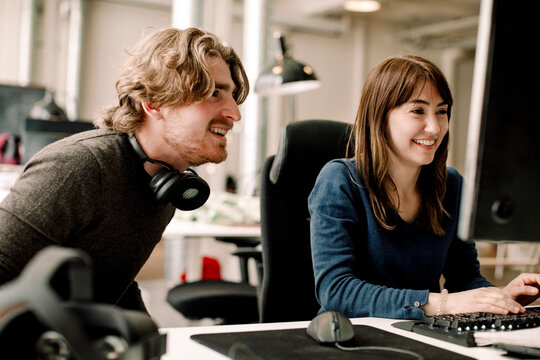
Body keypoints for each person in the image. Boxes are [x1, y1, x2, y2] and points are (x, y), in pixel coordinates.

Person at [0, 27, 249, 313]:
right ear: (154, 103)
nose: (235, 113)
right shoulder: (79, 167)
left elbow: (113, 280)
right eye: (214, 93)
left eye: (231, 96)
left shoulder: (166, 182)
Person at [308, 54, 540, 320]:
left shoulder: (452, 186)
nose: (434, 127)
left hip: (421, 335)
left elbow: (465, 279)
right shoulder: (339, 181)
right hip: (352, 337)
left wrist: (499, 297)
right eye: (418, 111)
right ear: (379, 117)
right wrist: (441, 304)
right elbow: (336, 291)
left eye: (442, 112)